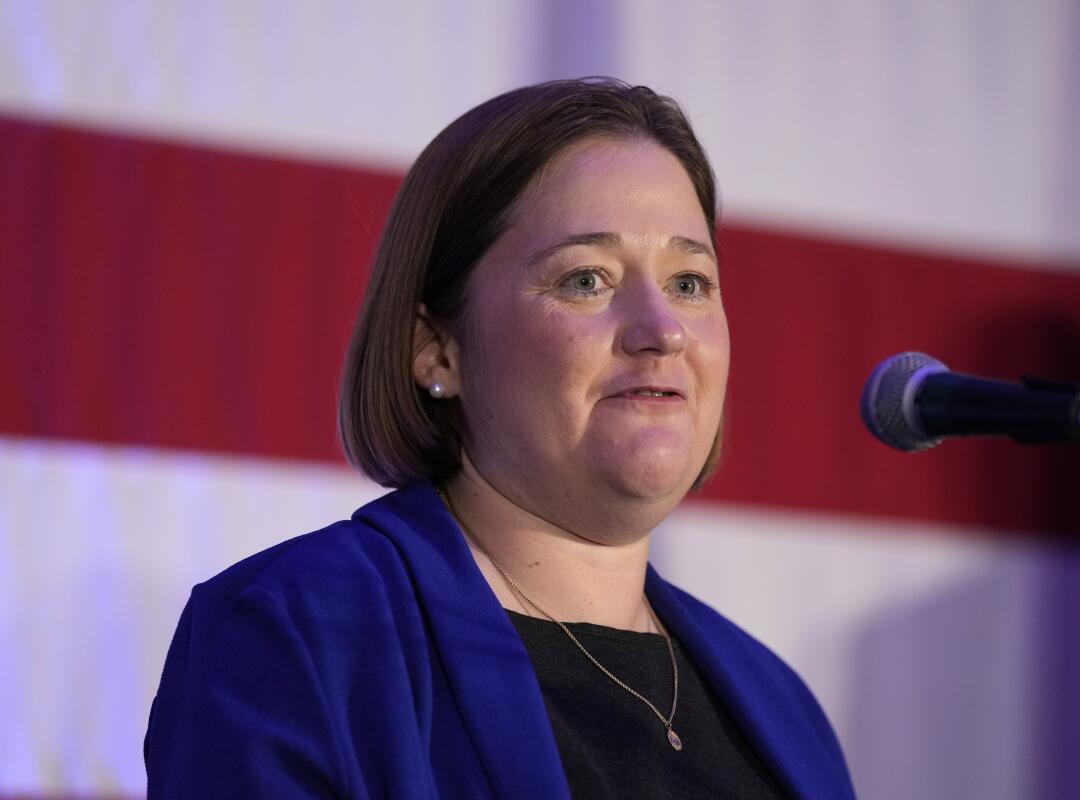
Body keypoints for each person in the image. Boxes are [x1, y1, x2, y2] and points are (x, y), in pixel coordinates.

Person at [144, 77, 856, 799]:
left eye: (690, 282)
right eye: (586, 278)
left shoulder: (780, 705)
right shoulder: (298, 635)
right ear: (438, 350)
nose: (663, 329)